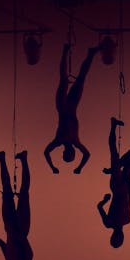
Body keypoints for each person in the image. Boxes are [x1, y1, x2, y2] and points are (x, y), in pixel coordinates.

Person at [44, 43, 100, 174]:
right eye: (71, 155)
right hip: (72, 106)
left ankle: (65, 50)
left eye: (68, 154)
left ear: (65, 152)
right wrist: (79, 167)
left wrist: (52, 167)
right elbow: (87, 154)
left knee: (64, 80)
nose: (70, 152)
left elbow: (46, 152)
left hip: (62, 106)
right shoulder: (75, 141)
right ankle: (91, 53)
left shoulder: (59, 140)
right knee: (80, 79)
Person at [97, 117, 130, 248]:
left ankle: (113, 125)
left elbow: (99, 207)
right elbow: (128, 200)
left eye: (116, 238)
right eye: (119, 238)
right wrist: (129, 184)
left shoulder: (109, 223)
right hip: (125, 183)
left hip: (117, 185)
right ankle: (114, 168)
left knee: (114, 152)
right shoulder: (127, 220)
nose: (119, 236)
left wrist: (105, 200)